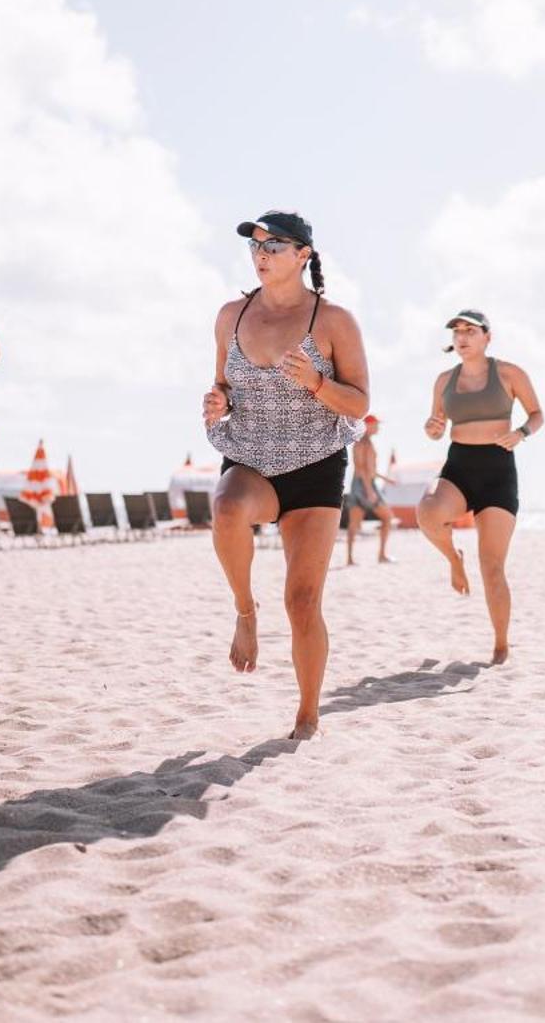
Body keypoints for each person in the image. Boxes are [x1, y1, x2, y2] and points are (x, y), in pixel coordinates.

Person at [204, 211, 369, 739]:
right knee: (227, 507)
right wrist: (218, 400)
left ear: (304, 255)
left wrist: (318, 382)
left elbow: (360, 404)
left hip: (316, 464)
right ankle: (245, 612)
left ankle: (307, 713)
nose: (261, 254)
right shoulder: (231, 315)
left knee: (302, 602)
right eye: (255, 245)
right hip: (251, 456)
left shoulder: (333, 320)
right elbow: (221, 382)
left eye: (274, 245)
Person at [417, 310, 544, 665]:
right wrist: (432, 428)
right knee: (427, 512)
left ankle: (501, 644)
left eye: (470, 331)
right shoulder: (444, 380)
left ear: (487, 336)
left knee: (492, 567)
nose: (462, 337)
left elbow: (537, 414)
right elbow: (436, 427)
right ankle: (453, 558)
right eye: (457, 331)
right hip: (459, 466)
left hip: (498, 471)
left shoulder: (508, 373)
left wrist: (521, 433)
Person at [344, 415, 395, 566]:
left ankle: (350, 559)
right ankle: (382, 555)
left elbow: (371, 469)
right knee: (387, 518)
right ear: (368, 425)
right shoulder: (362, 443)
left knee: (354, 523)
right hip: (364, 485)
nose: (378, 427)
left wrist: (386, 479)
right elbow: (362, 468)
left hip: (359, 484)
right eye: (376, 425)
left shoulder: (366, 442)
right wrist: (369, 490)